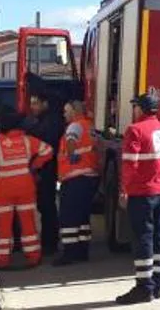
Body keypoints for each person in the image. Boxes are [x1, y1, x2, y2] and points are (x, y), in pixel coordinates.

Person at [115, 94, 160, 305]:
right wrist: (159, 173)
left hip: (142, 194)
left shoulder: (135, 130)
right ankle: (158, 284)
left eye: (134, 107)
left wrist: (124, 190)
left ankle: (144, 288)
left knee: (143, 237)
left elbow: (129, 165)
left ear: (141, 109)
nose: (133, 111)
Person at [0, 110, 53, 269]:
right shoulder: (27, 141)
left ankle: (1, 260)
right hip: (25, 188)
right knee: (28, 223)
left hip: (3, 191)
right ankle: (33, 256)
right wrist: (34, 166)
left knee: (4, 227)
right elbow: (48, 150)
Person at [53, 101, 99, 266]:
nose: (64, 114)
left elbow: (71, 140)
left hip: (75, 178)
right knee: (82, 217)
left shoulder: (74, 126)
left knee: (69, 217)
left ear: (75, 111)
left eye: (66, 111)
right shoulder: (89, 126)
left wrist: (72, 155)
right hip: (89, 177)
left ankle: (69, 253)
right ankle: (82, 250)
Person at [23, 92, 65, 255]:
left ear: (45, 104)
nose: (32, 107)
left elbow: (46, 144)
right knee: (44, 205)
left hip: (47, 169)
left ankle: (50, 242)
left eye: (35, 103)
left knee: (47, 206)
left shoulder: (51, 122)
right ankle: (48, 240)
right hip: (44, 169)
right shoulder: (42, 120)